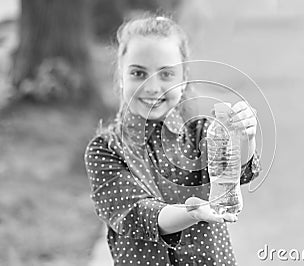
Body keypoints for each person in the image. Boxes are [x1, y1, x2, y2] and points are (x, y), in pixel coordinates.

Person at [84, 14, 261, 266]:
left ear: (183, 78)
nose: (152, 87)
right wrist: (193, 213)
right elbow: (137, 213)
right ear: (121, 76)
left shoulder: (202, 132)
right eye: (138, 73)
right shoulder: (106, 150)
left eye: (166, 74)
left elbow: (237, 173)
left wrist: (245, 138)